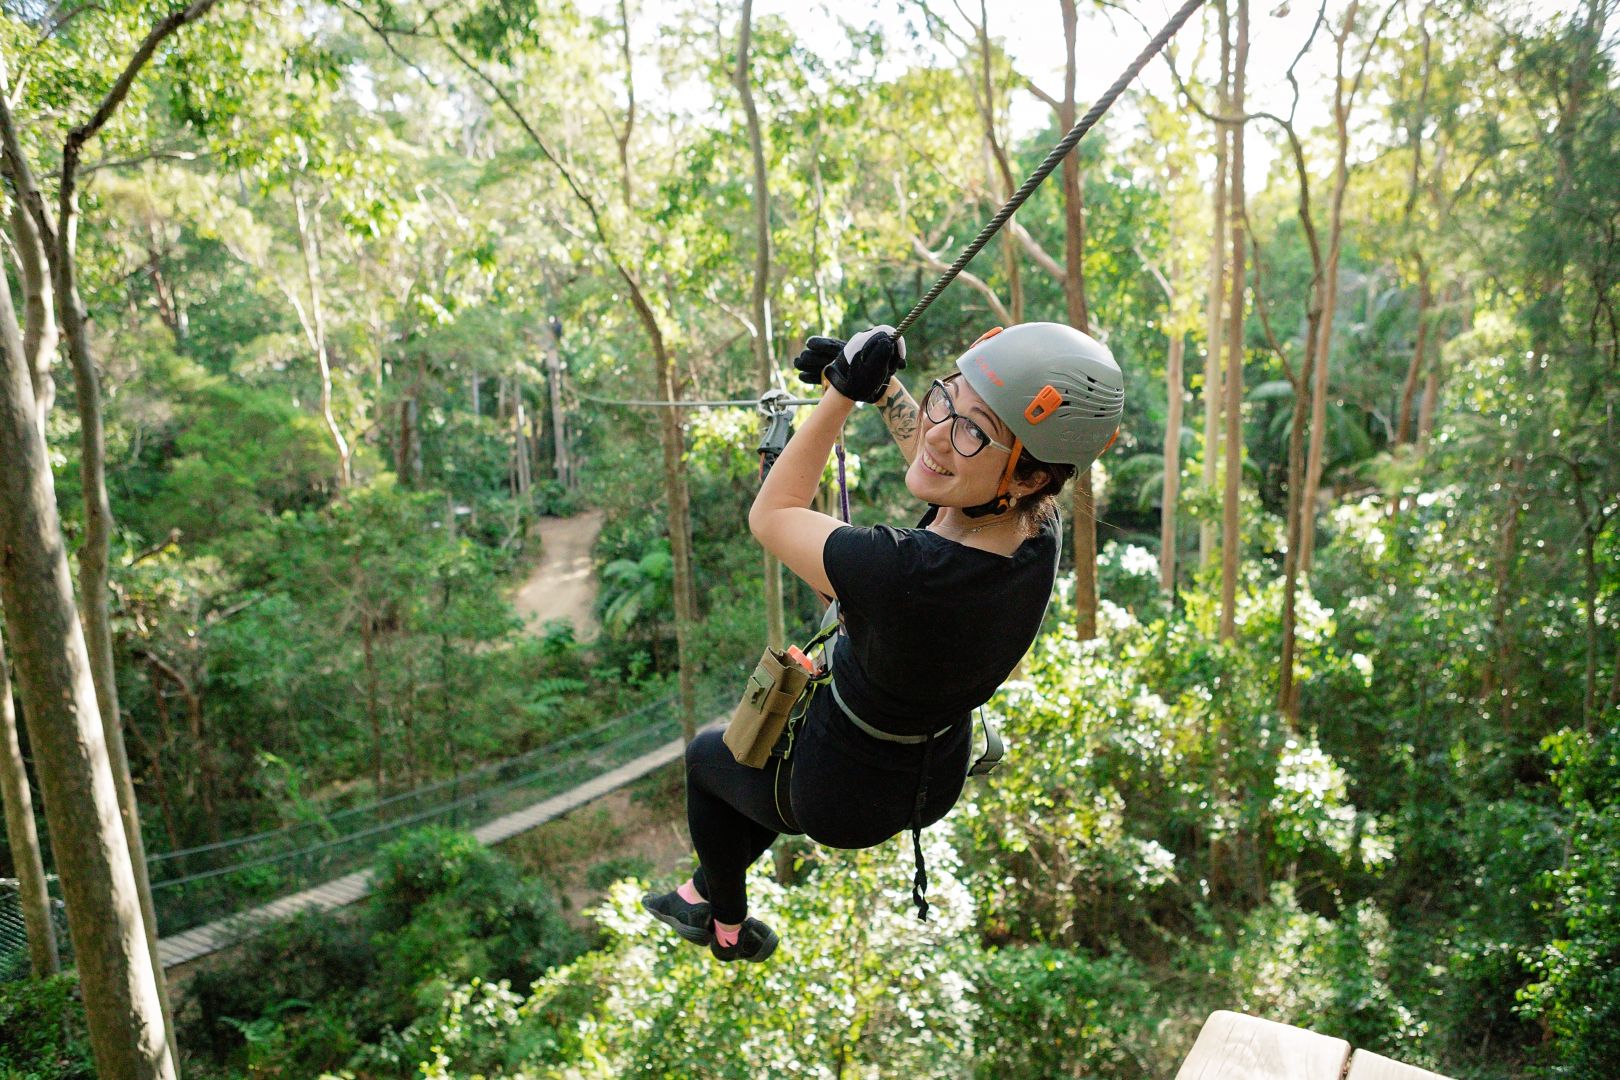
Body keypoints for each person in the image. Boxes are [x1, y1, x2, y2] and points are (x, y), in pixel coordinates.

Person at [643, 322, 1124, 962]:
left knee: (710, 761)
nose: (935, 432)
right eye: (946, 396)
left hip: (841, 792)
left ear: (1030, 476)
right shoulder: (1036, 530)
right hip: (934, 767)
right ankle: (703, 890)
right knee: (752, 791)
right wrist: (882, 390)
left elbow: (771, 513)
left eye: (973, 429)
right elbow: (944, 468)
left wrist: (839, 396)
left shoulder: (904, 574)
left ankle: (726, 925)